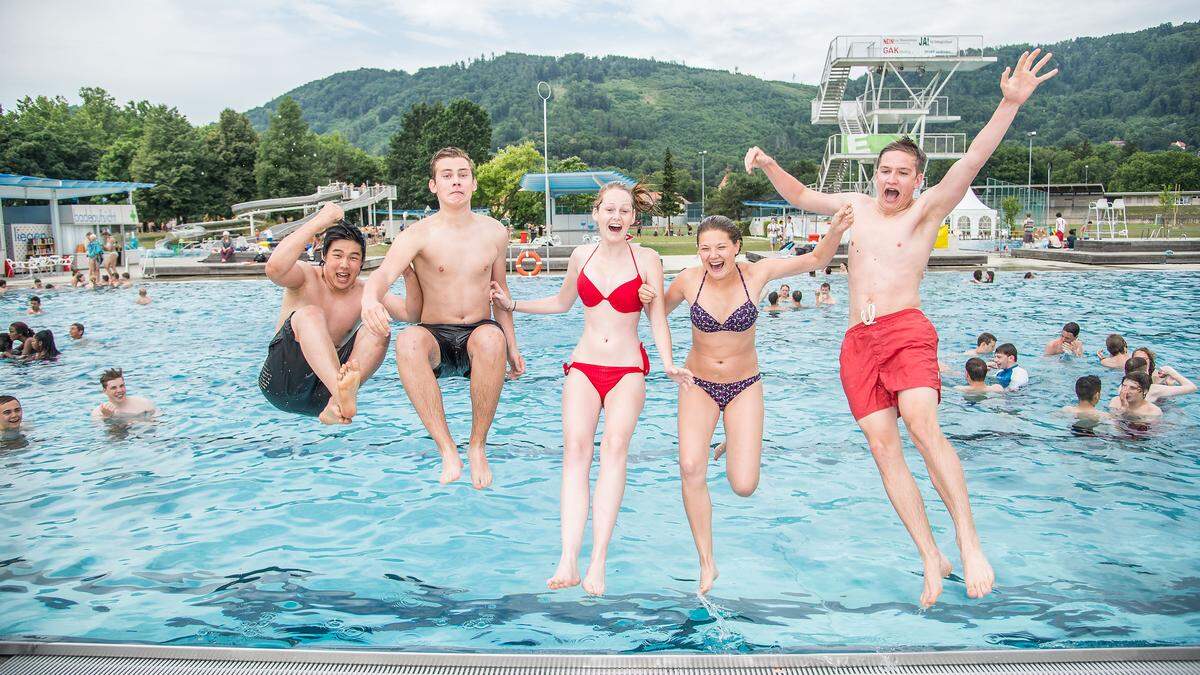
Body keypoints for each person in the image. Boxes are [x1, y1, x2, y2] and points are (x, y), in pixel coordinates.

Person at [744, 47, 1057, 607]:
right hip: (856, 343)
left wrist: (1008, 105)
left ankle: (968, 541)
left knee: (919, 422)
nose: (892, 179)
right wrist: (768, 163)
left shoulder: (926, 211)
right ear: (876, 174)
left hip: (905, 328)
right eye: (885, 170)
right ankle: (929, 556)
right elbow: (797, 195)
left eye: (902, 173)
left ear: (918, 179)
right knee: (884, 449)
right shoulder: (855, 206)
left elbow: (973, 162)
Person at [489, 182, 692, 596]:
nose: (616, 216)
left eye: (625, 210)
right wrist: (514, 305)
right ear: (596, 214)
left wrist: (669, 363)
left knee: (614, 450)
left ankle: (597, 559)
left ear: (634, 218)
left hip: (627, 369)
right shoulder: (582, 255)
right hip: (583, 366)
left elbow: (657, 319)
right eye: (609, 209)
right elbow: (562, 303)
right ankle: (568, 558)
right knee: (576, 454)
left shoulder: (648, 260)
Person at [638, 209, 852, 595]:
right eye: (705, 248)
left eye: (721, 246)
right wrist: (645, 295)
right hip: (697, 383)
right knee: (689, 467)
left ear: (737, 247)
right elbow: (653, 313)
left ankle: (736, 436)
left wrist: (834, 230)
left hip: (743, 386)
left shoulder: (757, 274)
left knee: (743, 485)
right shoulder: (689, 280)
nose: (713, 255)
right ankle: (706, 561)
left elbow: (816, 260)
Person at [362, 147, 522, 489]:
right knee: (407, 341)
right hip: (435, 334)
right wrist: (368, 300)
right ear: (433, 186)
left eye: (463, 174)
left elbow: (499, 293)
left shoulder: (495, 232)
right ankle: (447, 449)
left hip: (479, 332)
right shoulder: (417, 235)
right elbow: (382, 275)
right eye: (447, 175)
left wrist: (513, 345)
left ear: (474, 184)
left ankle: (477, 445)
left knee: (493, 339)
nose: (456, 182)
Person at [261, 202, 420, 426]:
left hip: (322, 397)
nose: (345, 265)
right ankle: (341, 393)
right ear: (324, 256)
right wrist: (320, 221)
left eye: (353, 258)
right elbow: (274, 268)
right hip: (280, 382)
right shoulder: (305, 278)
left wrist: (409, 274)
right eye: (338, 255)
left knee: (379, 326)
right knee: (310, 314)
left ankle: (337, 401)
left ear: (362, 263)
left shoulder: (365, 292)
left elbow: (411, 313)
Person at [91, 368, 157, 420]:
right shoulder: (98, 413)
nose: (119, 390)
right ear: (105, 391)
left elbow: (158, 423)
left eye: (122, 386)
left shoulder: (144, 403)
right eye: (114, 388)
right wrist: (107, 417)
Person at [1124, 357, 1196, 403]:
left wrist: (1169, 385)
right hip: (1147, 424)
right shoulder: (1153, 389)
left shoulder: (1122, 387)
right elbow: (1192, 387)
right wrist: (1171, 371)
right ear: (1145, 372)